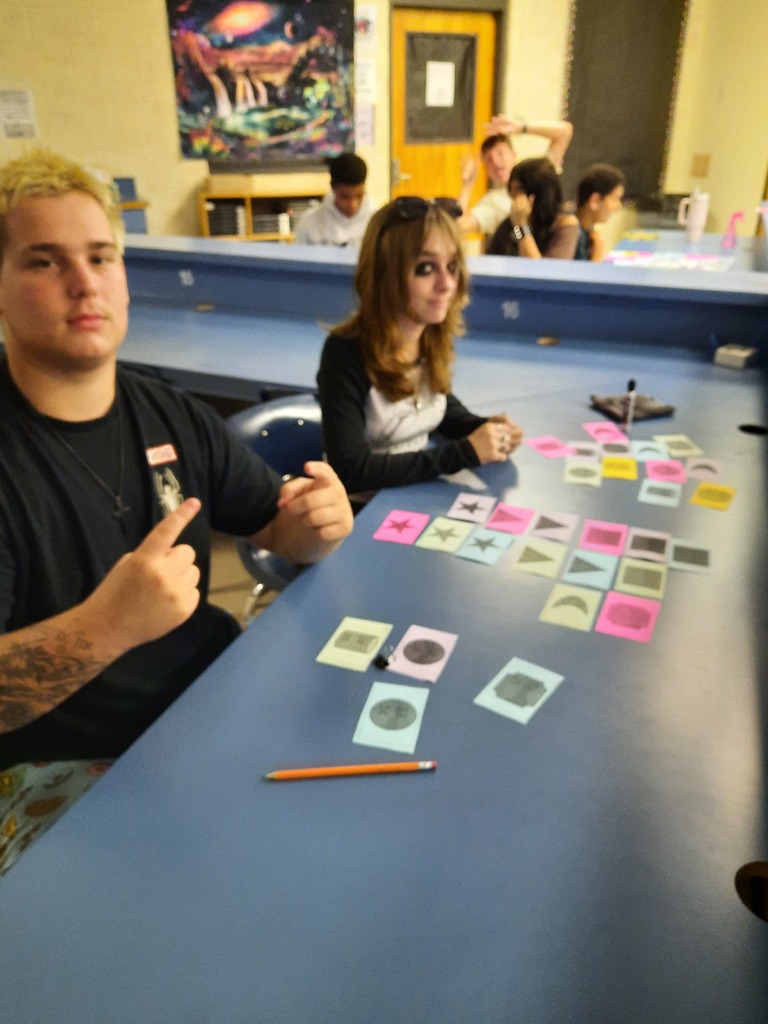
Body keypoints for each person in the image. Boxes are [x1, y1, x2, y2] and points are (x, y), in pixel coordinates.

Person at [0, 149, 353, 873]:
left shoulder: (168, 412)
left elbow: (270, 522)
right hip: (62, 765)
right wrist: (106, 627)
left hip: (211, 702)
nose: (83, 282)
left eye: (101, 257)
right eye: (44, 262)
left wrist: (312, 527)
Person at [316, 196, 523, 500]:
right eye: (426, 268)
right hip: (359, 513)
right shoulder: (344, 353)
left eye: (452, 265)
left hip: (413, 497)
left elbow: (440, 407)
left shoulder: (428, 336)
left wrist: (486, 430)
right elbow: (349, 470)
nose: (447, 283)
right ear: (386, 275)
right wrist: (464, 452)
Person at [457, 115, 573, 238]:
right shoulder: (493, 201)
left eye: (500, 153)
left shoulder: (538, 174)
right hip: (519, 252)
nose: (496, 162)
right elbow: (459, 226)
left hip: (555, 247)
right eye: (489, 160)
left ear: (513, 154)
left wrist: (522, 127)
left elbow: (564, 132)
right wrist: (467, 185)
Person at [486, 157, 580, 260]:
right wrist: (518, 226)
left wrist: (522, 227)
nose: (513, 197)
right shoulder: (512, 224)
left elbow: (542, 272)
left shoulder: (565, 224)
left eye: (518, 190)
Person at [293, 152, 374, 247]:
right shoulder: (308, 225)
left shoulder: (378, 225)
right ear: (332, 187)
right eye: (344, 197)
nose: (353, 204)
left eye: (359, 195)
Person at [574, 163, 626, 262]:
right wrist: (597, 253)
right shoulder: (573, 233)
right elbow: (581, 276)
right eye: (615, 199)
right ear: (595, 201)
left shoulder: (586, 230)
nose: (618, 206)